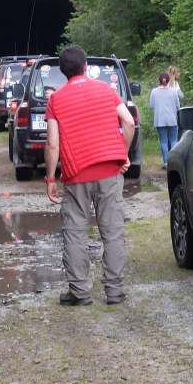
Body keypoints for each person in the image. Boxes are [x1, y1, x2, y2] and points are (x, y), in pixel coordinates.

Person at [44, 46, 136, 307]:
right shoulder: (107, 90)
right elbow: (128, 122)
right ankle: (114, 291)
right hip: (109, 170)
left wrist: (50, 178)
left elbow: (52, 143)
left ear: (63, 72)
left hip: (76, 175)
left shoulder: (56, 100)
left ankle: (80, 292)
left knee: (75, 232)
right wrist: (123, 154)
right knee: (113, 231)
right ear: (85, 66)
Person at [149, 72, 182, 168]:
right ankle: (174, 162)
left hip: (159, 120)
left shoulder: (154, 91)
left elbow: (151, 105)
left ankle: (166, 163)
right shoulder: (174, 91)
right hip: (172, 119)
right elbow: (178, 106)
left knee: (163, 141)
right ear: (168, 80)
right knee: (173, 141)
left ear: (159, 80)